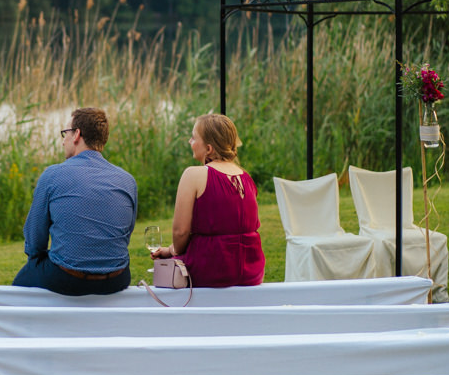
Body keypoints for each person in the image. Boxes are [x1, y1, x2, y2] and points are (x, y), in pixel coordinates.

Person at [14, 107, 137, 295]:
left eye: (65, 133)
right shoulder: (127, 180)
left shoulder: (52, 175)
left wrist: (38, 259)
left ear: (77, 134)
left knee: (20, 287)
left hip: (68, 279)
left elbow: (34, 241)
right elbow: (125, 234)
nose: (63, 141)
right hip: (117, 279)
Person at [153, 113, 265, 287]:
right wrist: (169, 250)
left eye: (193, 138)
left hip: (212, 268)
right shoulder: (247, 178)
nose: (190, 142)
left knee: (163, 271)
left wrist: (174, 252)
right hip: (252, 269)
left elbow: (180, 232)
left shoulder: (193, 175)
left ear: (209, 149)